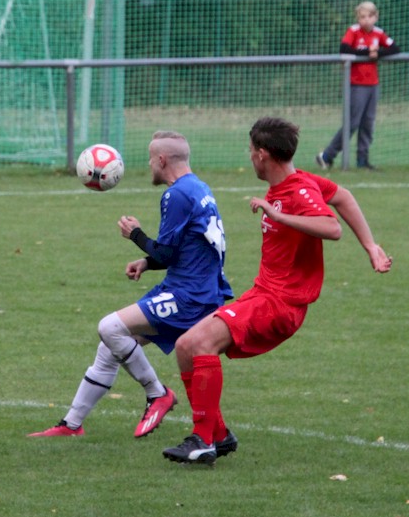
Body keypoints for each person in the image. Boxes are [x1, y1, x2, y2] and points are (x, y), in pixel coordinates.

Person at [163, 117, 392, 465]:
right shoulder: (300, 181)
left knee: (201, 344)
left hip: (280, 303)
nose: (250, 156)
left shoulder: (297, 191)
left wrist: (278, 215)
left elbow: (331, 227)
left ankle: (202, 439)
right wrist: (371, 245)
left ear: (263, 154)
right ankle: (218, 435)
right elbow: (342, 197)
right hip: (263, 294)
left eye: (252, 150)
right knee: (184, 347)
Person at [28, 131, 234, 438]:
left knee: (109, 327)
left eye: (151, 159)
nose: (150, 165)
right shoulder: (198, 187)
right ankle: (71, 425)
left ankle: (157, 393)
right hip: (198, 288)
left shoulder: (176, 195)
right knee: (110, 346)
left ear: (162, 160)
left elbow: (165, 251)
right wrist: (147, 263)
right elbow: (179, 250)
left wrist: (135, 235)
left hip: (188, 295)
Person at [316, 1, 400, 171]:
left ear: (375, 17)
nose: (366, 20)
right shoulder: (353, 31)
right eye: (362, 17)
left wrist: (378, 53)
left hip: (373, 85)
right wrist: (368, 53)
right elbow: (344, 49)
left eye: (370, 16)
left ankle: (362, 160)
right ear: (358, 18)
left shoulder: (378, 33)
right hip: (357, 85)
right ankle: (326, 156)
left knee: (368, 123)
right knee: (352, 123)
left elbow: (395, 48)